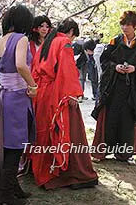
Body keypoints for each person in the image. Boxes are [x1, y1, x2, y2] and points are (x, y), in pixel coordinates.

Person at [31, 18, 98, 190]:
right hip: (58, 91)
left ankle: (42, 168)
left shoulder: (48, 42)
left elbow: (36, 69)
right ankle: (70, 172)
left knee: (44, 131)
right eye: (74, 36)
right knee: (69, 132)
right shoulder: (64, 42)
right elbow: (67, 70)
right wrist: (72, 94)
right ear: (71, 32)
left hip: (43, 93)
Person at [0, 5, 37, 205]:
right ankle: (5, 194)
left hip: (2, 97)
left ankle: (12, 186)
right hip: (15, 97)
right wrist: (33, 85)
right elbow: (21, 65)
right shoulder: (21, 39)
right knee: (15, 146)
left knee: (6, 143)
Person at [91, 11, 136, 165]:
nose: (124, 28)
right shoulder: (114, 42)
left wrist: (135, 69)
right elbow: (104, 61)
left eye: (128, 25)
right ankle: (102, 152)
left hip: (131, 90)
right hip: (113, 87)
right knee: (109, 119)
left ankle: (125, 154)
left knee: (128, 121)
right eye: (123, 24)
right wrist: (115, 66)